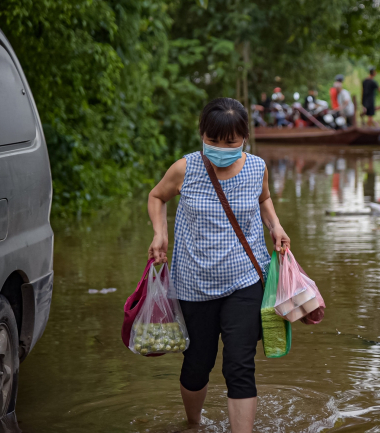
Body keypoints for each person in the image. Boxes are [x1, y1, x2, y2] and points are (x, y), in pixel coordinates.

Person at [147, 97, 290, 432]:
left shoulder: (257, 168)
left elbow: (264, 197)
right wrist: (159, 233)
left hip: (244, 280)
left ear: (244, 138)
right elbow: (157, 196)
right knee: (198, 363)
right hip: (194, 283)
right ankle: (193, 425)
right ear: (202, 135)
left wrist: (276, 226)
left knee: (239, 364)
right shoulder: (185, 168)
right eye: (213, 141)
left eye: (231, 142)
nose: (221, 148)